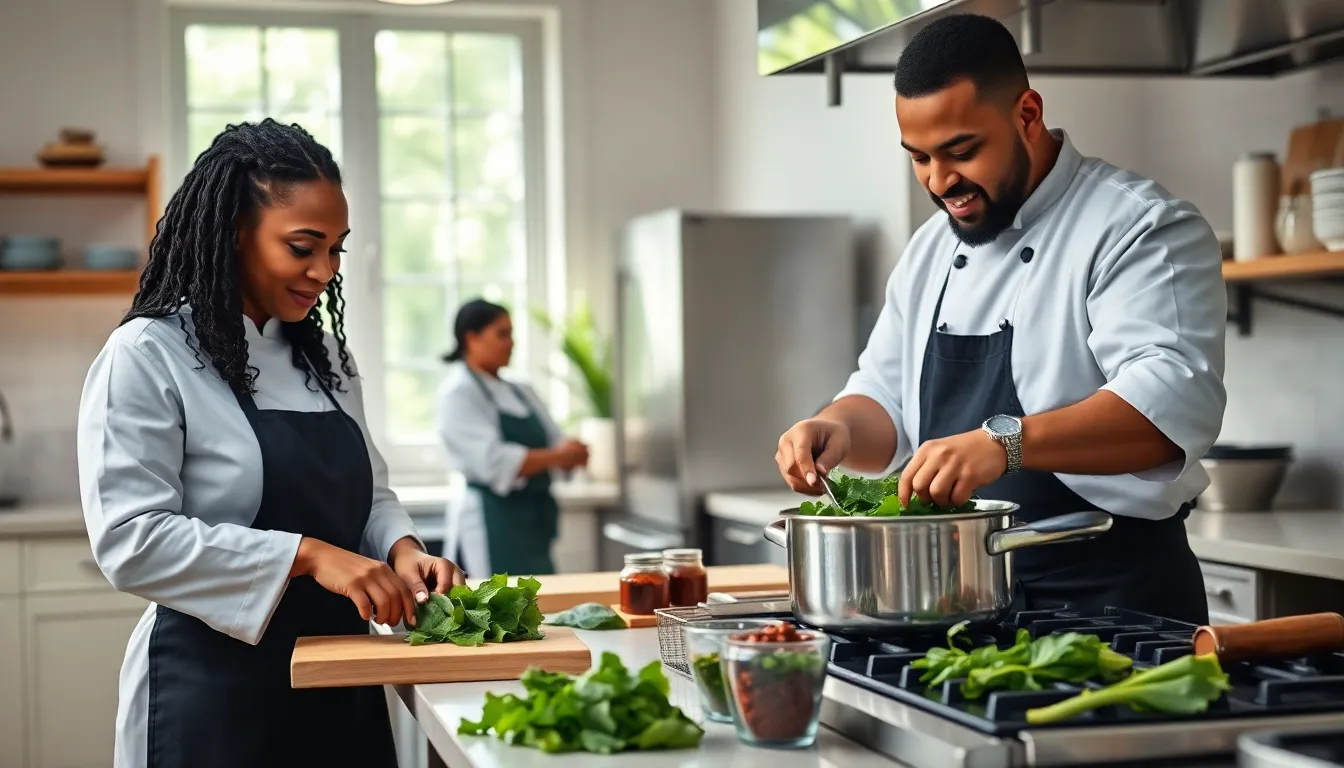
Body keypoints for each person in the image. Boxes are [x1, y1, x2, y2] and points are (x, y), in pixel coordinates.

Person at [775, 13, 1226, 625]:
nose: (941, 182)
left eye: (962, 151)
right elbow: (884, 396)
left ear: (1027, 114)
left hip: (1112, 604)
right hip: (961, 605)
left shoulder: (1137, 227)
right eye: (920, 158)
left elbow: (1171, 408)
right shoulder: (931, 248)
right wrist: (838, 429)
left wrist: (1004, 444)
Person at [76, 119, 465, 768]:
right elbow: (130, 540)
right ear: (234, 233)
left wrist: (401, 549)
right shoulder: (150, 355)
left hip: (342, 681)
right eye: (303, 246)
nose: (323, 271)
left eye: (336, 250)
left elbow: (371, 492)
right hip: (213, 698)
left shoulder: (327, 360)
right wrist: (307, 557)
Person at [436, 299, 589, 578]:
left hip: (533, 524)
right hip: (492, 521)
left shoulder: (522, 390)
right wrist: (559, 456)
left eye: (512, 334)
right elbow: (494, 462)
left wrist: (571, 453)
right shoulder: (458, 393)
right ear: (471, 338)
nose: (511, 343)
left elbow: (555, 442)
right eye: (502, 334)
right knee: (496, 607)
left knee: (541, 604)